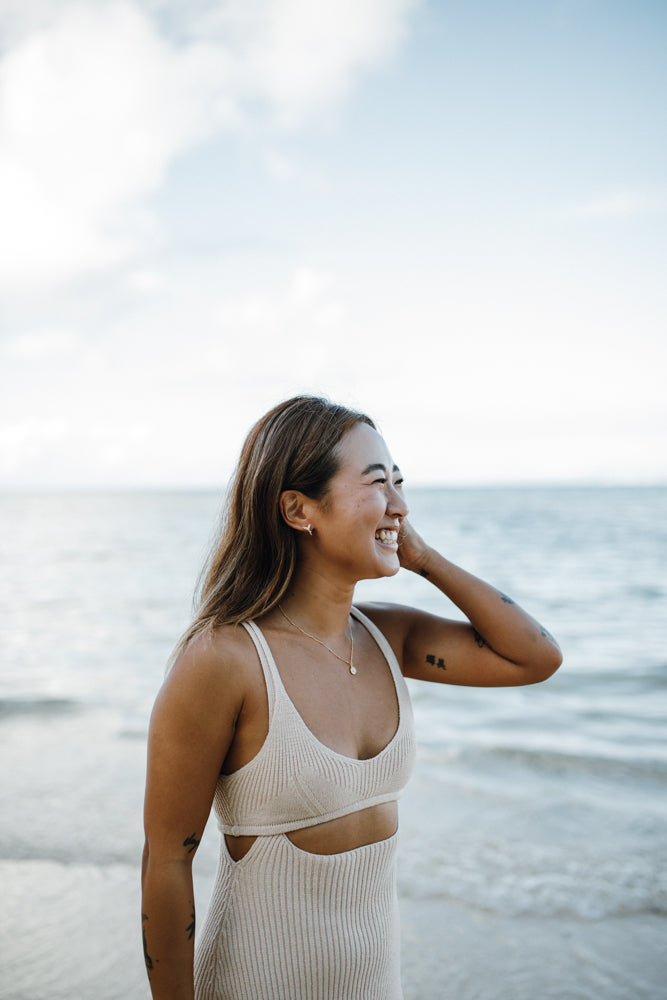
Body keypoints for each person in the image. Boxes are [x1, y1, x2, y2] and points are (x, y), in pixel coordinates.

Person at [141, 395, 562, 1000]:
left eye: (399, 483)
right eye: (376, 483)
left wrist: (422, 557)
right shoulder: (224, 659)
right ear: (297, 508)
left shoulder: (387, 637)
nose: (401, 504)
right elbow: (166, 862)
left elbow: (536, 657)